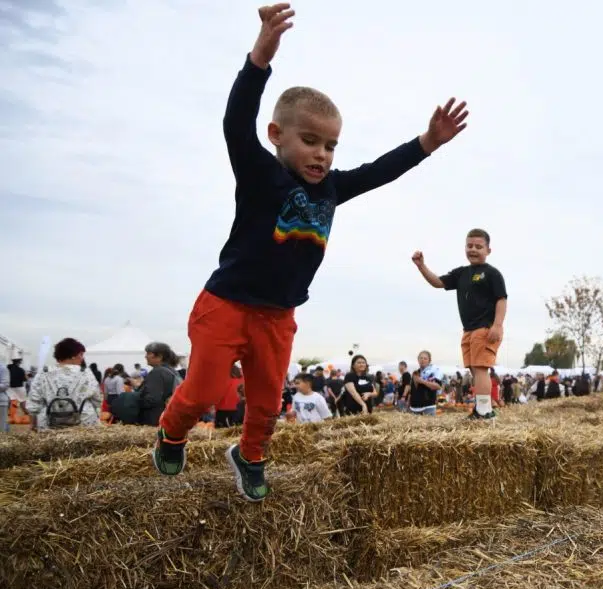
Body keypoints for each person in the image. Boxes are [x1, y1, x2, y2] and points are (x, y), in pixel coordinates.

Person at [150, 3, 470, 502]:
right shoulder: (261, 174)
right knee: (205, 392)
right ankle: (172, 433)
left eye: (331, 145)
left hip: (278, 317)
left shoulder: (332, 189)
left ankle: (250, 456)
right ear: (277, 136)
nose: (322, 154)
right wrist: (260, 57)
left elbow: (380, 170)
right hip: (227, 304)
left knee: (267, 402)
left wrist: (427, 142)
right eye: (310, 141)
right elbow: (236, 122)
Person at [412, 228, 507, 420]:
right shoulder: (461, 273)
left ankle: (485, 411)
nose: (473, 249)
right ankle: (480, 409)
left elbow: (501, 299)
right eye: (469, 245)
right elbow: (438, 282)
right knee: (474, 368)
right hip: (468, 330)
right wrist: (421, 266)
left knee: (481, 368)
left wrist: (497, 325)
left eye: (478, 246)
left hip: (485, 328)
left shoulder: (492, 274)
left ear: (488, 250)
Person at [24, 338, 103, 430]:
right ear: (73, 355)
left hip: (49, 425)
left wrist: (33, 424)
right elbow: (97, 399)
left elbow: (34, 401)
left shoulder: (44, 372)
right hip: (83, 425)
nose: (82, 358)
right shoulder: (85, 373)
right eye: (81, 354)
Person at [140, 342, 184, 427]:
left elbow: (152, 399)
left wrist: (136, 399)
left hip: (154, 419)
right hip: (168, 417)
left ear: (159, 356)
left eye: (149, 353)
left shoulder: (157, 372)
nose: (146, 356)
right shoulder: (172, 371)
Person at [409, 350, 444, 416]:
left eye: (425, 358)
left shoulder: (434, 371)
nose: (422, 360)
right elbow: (412, 390)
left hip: (428, 406)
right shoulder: (416, 372)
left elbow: (437, 386)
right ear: (418, 360)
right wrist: (408, 402)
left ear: (429, 361)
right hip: (414, 407)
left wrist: (422, 381)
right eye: (421, 358)